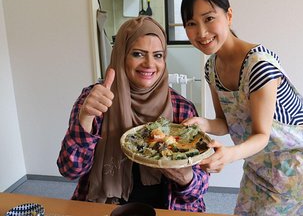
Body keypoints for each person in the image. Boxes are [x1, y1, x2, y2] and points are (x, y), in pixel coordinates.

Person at [180, 0, 303, 215]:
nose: (201, 32)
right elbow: (226, 122)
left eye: (209, 18)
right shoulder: (211, 68)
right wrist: (202, 123)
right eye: (191, 23)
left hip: (295, 157)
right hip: (259, 155)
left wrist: (228, 154)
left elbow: (261, 134)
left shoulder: (259, 65)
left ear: (228, 15)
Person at [57, 16, 209, 212]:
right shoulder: (96, 100)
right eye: (138, 54)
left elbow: (199, 190)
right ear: (121, 55)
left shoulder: (181, 108)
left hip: (166, 207)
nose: (149, 64)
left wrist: (186, 179)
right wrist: (85, 117)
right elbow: (69, 171)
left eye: (158, 55)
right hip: (106, 207)